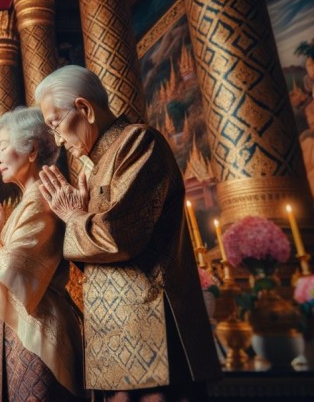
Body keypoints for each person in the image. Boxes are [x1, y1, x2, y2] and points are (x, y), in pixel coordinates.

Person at [35, 65, 220, 400]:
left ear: (85, 109)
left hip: (151, 328)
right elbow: (95, 258)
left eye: (56, 124)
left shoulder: (139, 142)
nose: (59, 139)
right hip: (114, 334)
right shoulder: (96, 166)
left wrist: (75, 217)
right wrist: (80, 216)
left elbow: (119, 238)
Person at [0, 106, 84, 401]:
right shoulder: (24, 203)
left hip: (38, 332)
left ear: (31, 150)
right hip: (21, 332)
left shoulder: (41, 201)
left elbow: (14, 275)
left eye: (3, 147)